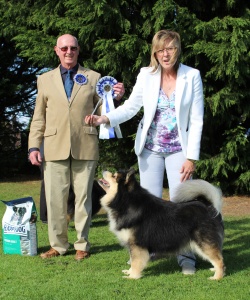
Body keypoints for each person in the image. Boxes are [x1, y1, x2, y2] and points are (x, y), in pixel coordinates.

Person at [85, 30, 204, 274]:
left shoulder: (192, 75)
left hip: (179, 150)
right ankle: (143, 252)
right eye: (160, 49)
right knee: (147, 207)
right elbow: (130, 107)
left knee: (181, 205)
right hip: (149, 150)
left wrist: (191, 157)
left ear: (177, 49)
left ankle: (186, 257)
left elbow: (197, 118)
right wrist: (105, 117)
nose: (165, 54)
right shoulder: (146, 75)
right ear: (155, 52)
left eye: (170, 48)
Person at [28, 34, 125, 260]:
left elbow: (104, 113)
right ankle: (58, 245)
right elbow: (38, 117)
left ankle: (82, 245)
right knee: (55, 199)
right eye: (64, 48)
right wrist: (33, 146)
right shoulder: (44, 79)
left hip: (85, 145)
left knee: (83, 199)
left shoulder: (94, 77)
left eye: (72, 48)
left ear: (78, 50)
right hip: (52, 147)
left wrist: (116, 100)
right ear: (56, 50)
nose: (68, 52)